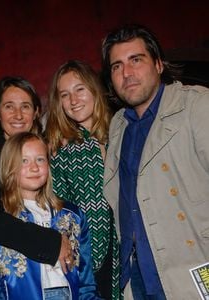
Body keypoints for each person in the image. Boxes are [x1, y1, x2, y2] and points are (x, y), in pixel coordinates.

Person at [102, 24, 209, 299]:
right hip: (137, 280)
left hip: (192, 273)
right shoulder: (118, 125)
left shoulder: (196, 107)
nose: (127, 73)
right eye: (117, 66)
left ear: (159, 64)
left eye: (136, 60)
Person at [0, 132, 100, 299]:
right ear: (8, 166)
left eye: (40, 159)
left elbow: (86, 283)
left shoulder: (73, 216)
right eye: (24, 161)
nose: (34, 167)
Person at [0, 76, 73, 277]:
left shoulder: (50, 152)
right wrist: (50, 242)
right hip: (13, 275)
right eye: (9, 106)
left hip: (61, 274)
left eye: (25, 106)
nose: (18, 115)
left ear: (36, 112)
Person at [45, 60, 121, 299]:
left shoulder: (121, 131)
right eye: (64, 95)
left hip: (127, 252)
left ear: (94, 89)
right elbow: (56, 210)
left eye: (79, 89)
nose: (73, 100)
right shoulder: (61, 149)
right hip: (88, 258)